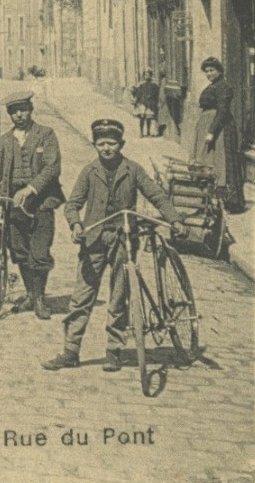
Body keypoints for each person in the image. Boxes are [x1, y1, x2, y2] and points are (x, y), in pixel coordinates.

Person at [44, 120, 185, 373]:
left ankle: (114, 351)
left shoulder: (133, 170)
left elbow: (156, 195)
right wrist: (76, 225)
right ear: (95, 144)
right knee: (81, 298)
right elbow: (72, 205)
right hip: (93, 242)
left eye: (112, 143)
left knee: (119, 297)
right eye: (101, 143)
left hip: (123, 240)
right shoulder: (89, 172)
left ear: (121, 145)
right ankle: (70, 351)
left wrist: (173, 218)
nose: (106, 148)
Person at [0, 92, 63, 319]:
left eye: (23, 109)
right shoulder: (6, 141)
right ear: (9, 115)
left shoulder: (46, 135)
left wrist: (30, 189)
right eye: (14, 111)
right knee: (19, 251)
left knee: (40, 253)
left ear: (31, 109)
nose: (19, 115)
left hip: (42, 202)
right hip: (13, 204)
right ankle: (29, 293)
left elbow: (51, 168)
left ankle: (39, 298)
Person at [192, 57, 246, 213]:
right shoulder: (214, 86)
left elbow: (222, 112)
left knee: (221, 163)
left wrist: (211, 132)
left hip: (220, 130)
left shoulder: (224, 87)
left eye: (212, 70)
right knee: (207, 160)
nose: (209, 73)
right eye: (207, 71)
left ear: (220, 71)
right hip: (208, 126)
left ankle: (229, 201)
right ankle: (209, 200)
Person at [131, 71, 160, 138]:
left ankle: (148, 131)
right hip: (142, 103)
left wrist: (155, 102)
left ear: (151, 76)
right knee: (142, 118)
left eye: (148, 75)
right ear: (144, 76)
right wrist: (136, 101)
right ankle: (141, 132)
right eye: (146, 75)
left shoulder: (154, 85)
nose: (147, 76)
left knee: (148, 118)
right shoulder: (141, 85)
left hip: (150, 104)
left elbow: (156, 95)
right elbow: (138, 94)